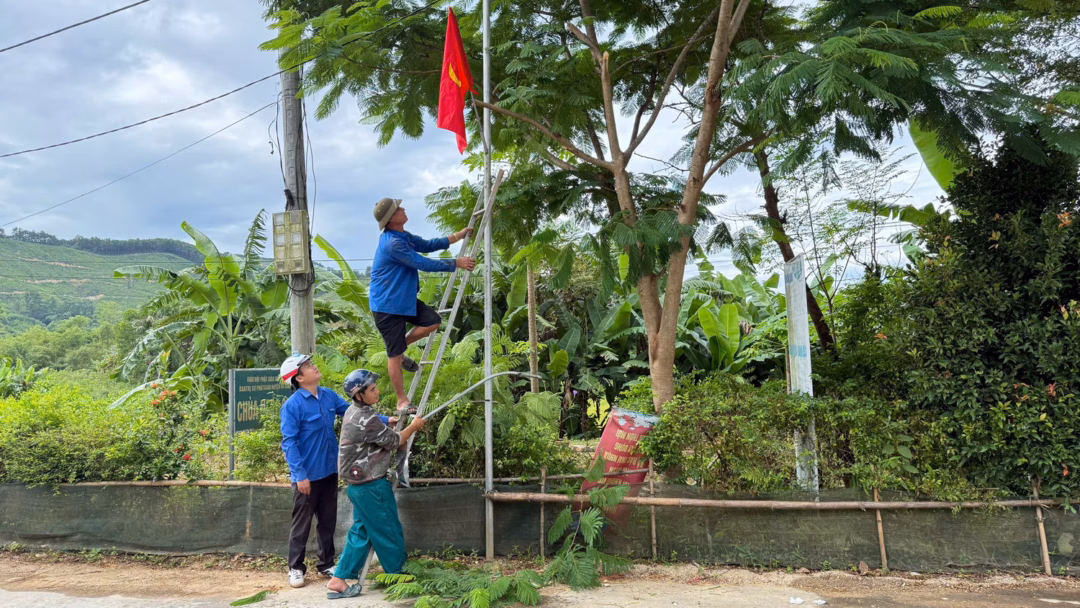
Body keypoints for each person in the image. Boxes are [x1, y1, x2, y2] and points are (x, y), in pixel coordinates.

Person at [324, 368, 427, 599]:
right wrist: (414, 426)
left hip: (358, 486)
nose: (377, 392)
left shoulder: (355, 411)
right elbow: (394, 440)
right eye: (372, 389)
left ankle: (338, 579)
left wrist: (389, 423)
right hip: (371, 486)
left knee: (361, 532)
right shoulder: (365, 417)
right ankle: (398, 578)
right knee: (388, 530)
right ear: (359, 394)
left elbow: (376, 434)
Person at [370, 197, 475, 412]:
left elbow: (426, 245)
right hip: (387, 306)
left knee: (433, 321)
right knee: (393, 354)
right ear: (391, 218)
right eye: (399, 208)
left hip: (403, 301)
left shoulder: (402, 236)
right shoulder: (393, 243)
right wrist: (456, 263)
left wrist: (456, 236)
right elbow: (422, 262)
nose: (404, 209)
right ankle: (402, 401)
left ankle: (401, 351)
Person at [278, 353, 352, 589]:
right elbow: (289, 442)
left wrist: (384, 420)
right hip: (307, 477)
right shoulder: (293, 406)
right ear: (299, 378)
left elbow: (352, 414)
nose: (314, 366)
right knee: (302, 524)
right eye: (308, 366)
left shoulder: (328, 395)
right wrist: (300, 475)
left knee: (328, 520)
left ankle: (326, 564)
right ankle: (296, 568)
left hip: (330, 472)